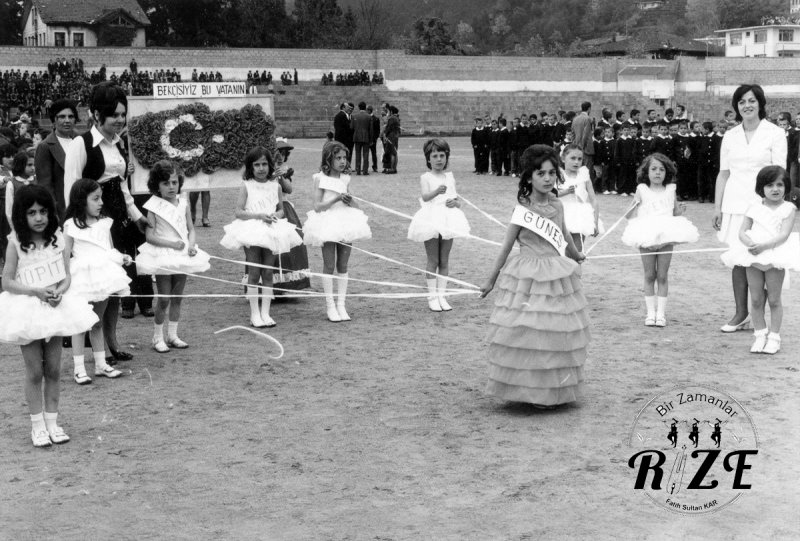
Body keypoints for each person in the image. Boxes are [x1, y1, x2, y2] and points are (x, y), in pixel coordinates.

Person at [480, 145, 587, 407]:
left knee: (553, 330)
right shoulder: (522, 209)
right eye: (541, 173)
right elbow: (505, 247)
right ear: (529, 177)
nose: (548, 179)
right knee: (527, 332)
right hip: (527, 275)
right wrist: (491, 279)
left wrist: (576, 255)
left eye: (552, 173)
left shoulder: (558, 205)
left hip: (554, 273)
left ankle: (549, 390)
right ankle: (525, 388)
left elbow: (563, 235)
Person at [0, 185, 97, 446]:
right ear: (22, 215)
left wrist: (59, 292)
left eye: (43, 211)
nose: (39, 218)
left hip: (54, 309)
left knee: (53, 369)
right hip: (28, 310)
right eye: (32, 213)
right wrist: (35, 291)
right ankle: (37, 425)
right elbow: (7, 282)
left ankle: (53, 422)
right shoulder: (15, 244)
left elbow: (66, 277)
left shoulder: (58, 239)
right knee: (34, 371)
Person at [63, 82, 146, 364]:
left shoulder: (119, 143)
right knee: (94, 289)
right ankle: (94, 347)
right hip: (93, 227)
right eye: (114, 115)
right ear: (96, 114)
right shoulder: (81, 144)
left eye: (123, 114)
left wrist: (136, 216)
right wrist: (77, 229)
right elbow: (71, 190)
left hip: (117, 222)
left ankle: (111, 344)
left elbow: (122, 186)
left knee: (113, 287)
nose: (120, 120)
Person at [712, 84, 787, 333]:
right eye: (742, 102)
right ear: (736, 107)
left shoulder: (775, 133)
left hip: (763, 207)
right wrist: (717, 207)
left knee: (762, 260)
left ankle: (760, 317)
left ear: (761, 104)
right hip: (734, 204)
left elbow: (780, 175)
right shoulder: (730, 136)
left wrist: (774, 206)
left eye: (752, 101)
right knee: (739, 260)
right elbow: (723, 174)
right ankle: (741, 313)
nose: (747, 106)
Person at [721, 166, 800, 354]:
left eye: (780, 185)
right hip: (753, 257)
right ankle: (759, 334)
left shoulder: (789, 208)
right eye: (769, 185)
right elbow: (742, 231)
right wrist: (749, 243)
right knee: (756, 299)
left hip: (774, 257)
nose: (775, 189)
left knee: (773, 299)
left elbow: (783, 235)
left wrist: (764, 246)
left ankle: (774, 337)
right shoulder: (754, 207)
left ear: (786, 186)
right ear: (761, 188)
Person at [221, 147, 302, 328]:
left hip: (271, 229)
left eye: (264, 164)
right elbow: (238, 212)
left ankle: (266, 312)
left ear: (270, 165)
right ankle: (254, 313)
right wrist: (259, 216)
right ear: (251, 167)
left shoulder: (275, 186)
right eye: (256, 165)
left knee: (268, 272)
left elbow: (281, 209)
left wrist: (276, 216)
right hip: (252, 229)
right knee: (254, 271)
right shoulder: (247, 186)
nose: (261, 168)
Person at [136, 161, 210, 352]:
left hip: (182, 254)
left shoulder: (183, 203)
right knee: (164, 299)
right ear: (157, 186)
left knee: (177, 297)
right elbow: (150, 236)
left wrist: (191, 245)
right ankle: (157, 337)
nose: (171, 187)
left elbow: (190, 229)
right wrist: (171, 244)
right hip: (163, 254)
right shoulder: (153, 206)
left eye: (174, 183)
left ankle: (173, 334)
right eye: (166, 183)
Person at [63, 178, 132, 384]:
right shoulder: (70, 224)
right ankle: (79, 368)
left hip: (103, 276)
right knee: (80, 323)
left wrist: (122, 257)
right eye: (95, 199)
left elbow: (109, 250)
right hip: (81, 278)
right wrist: (65, 280)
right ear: (81, 200)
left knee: (97, 321)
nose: (101, 202)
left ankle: (101, 364)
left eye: (101, 198)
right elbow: (65, 255)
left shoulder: (104, 223)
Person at [621, 153, 699, 327]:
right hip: (646, 233)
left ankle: (661, 314)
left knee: (662, 275)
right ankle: (650, 313)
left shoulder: (671, 188)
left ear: (667, 172)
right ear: (646, 172)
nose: (657, 173)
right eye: (654, 169)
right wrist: (633, 205)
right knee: (649, 274)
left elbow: (674, 211)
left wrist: (681, 210)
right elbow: (629, 214)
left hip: (666, 234)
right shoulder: (641, 189)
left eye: (662, 169)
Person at [303, 141, 372, 322]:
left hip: (345, 221)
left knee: (343, 265)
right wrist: (336, 199)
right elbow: (318, 206)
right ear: (329, 158)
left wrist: (350, 200)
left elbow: (354, 203)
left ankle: (341, 305)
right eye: (338, 158)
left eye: (344, 158)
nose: (342, 161)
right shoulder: (320, 178)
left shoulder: (345, 178)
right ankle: (330, 306)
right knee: (329, 265)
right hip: (327, 222)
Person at [407, 138, 470, 312]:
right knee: (433, 259)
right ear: (428, 159)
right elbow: (425, 197)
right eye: (435, 156)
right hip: (431, 218)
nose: (439, 159)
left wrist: (454, 203)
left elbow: (456, 198)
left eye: (442, 155)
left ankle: (442, 295)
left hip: (449, 218)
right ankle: (432, 296)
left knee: (444, 259)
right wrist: (436, 191)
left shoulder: (449, 176)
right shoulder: (425, 177)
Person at [273, 139, 311, 292]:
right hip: (268, 207)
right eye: (278, 153)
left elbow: (289, 189)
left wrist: (281, 177)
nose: (281, 156)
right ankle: (271, 284)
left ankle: (288, 284)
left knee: (291, 245)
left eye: (283, 153)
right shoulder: (263, 167)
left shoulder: (285, 169)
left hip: (284, 207)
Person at [34, 98, 77, 221]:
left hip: (83, 206)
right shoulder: (45, 146)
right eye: (62, 117)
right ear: (54, 120)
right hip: (62, 211)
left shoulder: (81, 141)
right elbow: (45, 187)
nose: (67, 120)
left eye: (71, 116)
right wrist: (54, 215)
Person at [557, 144, 601, 252]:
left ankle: (576, 268)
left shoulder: (584, 175)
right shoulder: (558, 175)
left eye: (579, 159)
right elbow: (550, 195)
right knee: (561, 249)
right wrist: (566, 192)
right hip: (561, 214)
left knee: (577, 249)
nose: (576, 162)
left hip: (580, 215)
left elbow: (593, 200)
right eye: (572, 158)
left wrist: (595, 222)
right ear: (563, 159)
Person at [4, 150, 36, 231]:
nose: (33, 168)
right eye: (29, 165)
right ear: (20, 165)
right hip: (21, 224)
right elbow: (9, 209)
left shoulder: (37, 180)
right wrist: (14, 228)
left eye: (34, 165)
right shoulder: (12, 184)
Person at [350, 101, 373, 176]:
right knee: (366, 154)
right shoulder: (369, 116)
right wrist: (371, 139)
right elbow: (371, 129)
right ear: (365, 107)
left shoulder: (354, 116)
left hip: (357, 137)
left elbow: (351, 127)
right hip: (366, 137)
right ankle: (365, 170)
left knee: (358, 154)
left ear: (359, 107)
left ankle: (358, 170)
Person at [382, 106, 400, 174]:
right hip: (395, 136)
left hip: (391, 136)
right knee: (395, 152)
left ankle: (392, 168)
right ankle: (394, 168)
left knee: (392, 153)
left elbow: (388, 128)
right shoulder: (396, 118)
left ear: (391, 111)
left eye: (389, 111)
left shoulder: (392, 118)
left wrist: (385, 134)